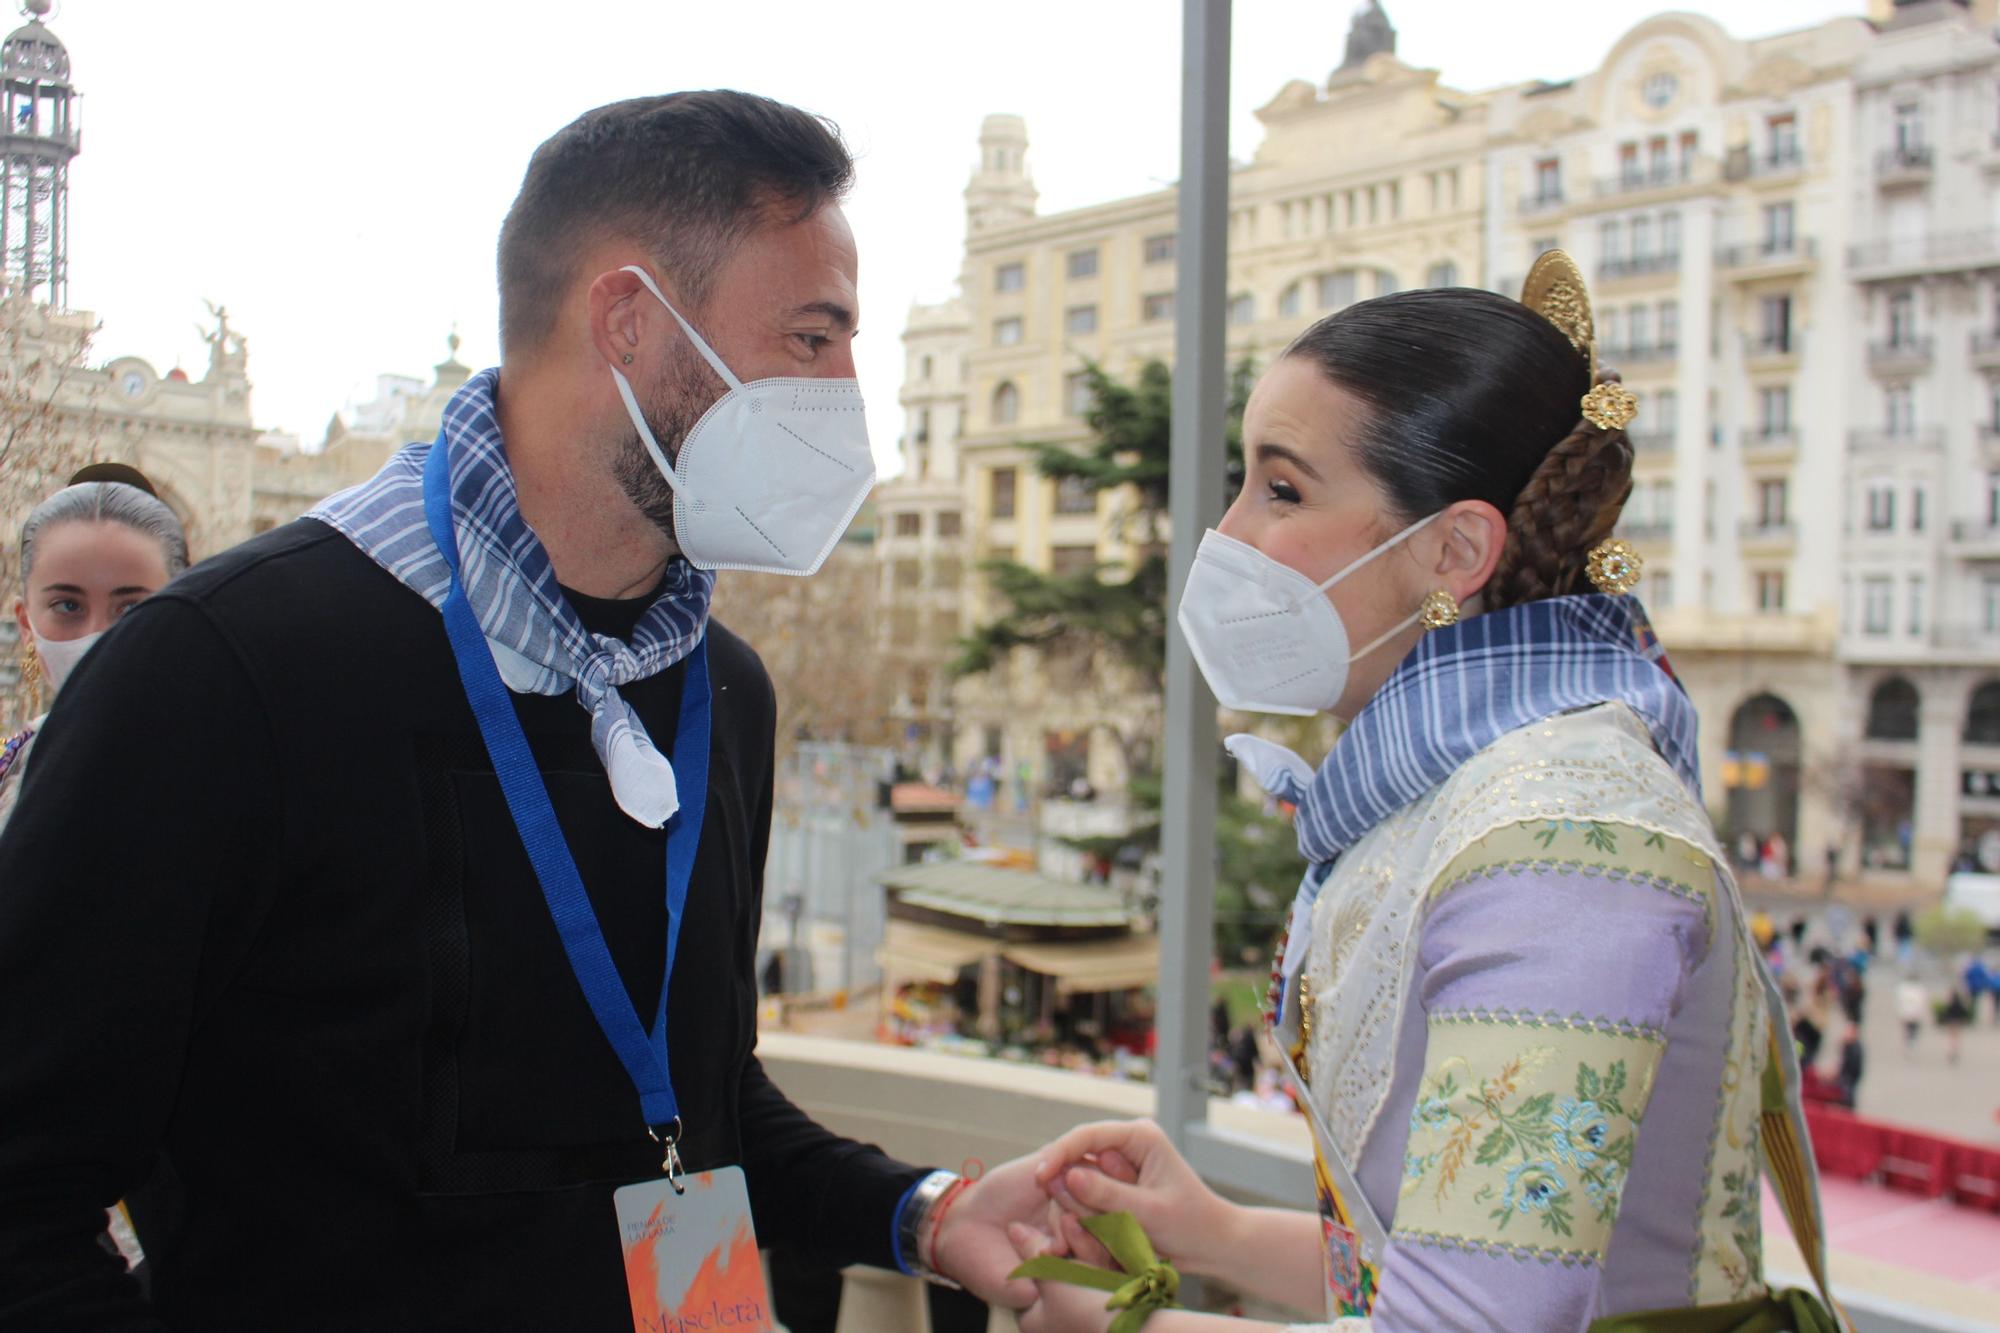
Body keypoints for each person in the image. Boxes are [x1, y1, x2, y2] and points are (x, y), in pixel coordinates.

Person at [0, 92, 1052, 1329]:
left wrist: (920, 1212)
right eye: (813, 340)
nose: (846, 398)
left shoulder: (724, 691)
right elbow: (25, 1192)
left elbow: (682, 1106)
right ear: (625, 321)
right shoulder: (220, 674)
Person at [1008, 257, 1834, 1329]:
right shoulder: (1468, 794)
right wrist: (1204, 1230)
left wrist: (1125, 1324)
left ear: (1452, 551)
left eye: (1282, 488)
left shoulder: (1565, 845)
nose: (1229, 537)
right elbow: (1446, 1264)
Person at [2, 469, 189, 831]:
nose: (98, 636)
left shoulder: (229, 777)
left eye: (131, 609)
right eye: (68, 606)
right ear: (26, 624)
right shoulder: (12, 766)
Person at [1896, 975, 1928, 1054]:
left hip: (1910, 1012)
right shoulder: (1915, 989)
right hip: (1910, 1012)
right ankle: (1908, 1044)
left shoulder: (1905, 988)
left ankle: (1908, 1044)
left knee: (1910, 1029)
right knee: (1909, 1029)